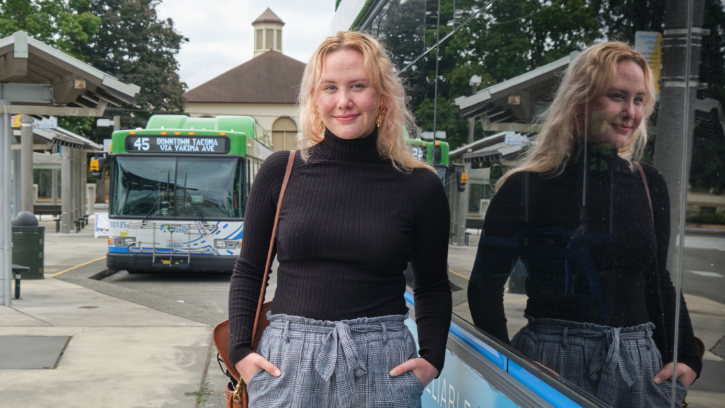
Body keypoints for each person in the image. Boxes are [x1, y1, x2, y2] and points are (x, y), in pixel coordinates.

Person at [467, 42, 702, 406]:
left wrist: (686, 354)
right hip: (553, 361)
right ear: (580, 101)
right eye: (617, 96)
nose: (630, 112)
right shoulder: (525, 187)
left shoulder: (648, 182)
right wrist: (511, 364)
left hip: (639, 362)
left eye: (639, 100)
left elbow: (659, 280)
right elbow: (484, 288)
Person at [228, 31, 452, 407]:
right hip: (287, 364)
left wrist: (431, 359)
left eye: (358, 86)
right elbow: (250, 270)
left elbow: (432, 286)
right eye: (329, 87)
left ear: (382, 96)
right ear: (315, 98)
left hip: (384, 366)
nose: (344, 101)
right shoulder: (280, 172)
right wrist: (239, 353)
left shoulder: (420, 186)